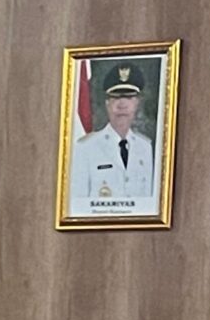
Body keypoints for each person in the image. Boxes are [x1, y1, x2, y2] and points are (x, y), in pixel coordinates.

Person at [66, 61, 161, 216]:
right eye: (116, 97)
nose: (122, 104)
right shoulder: (85, 148)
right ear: (107, 103)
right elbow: (78, 206)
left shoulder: (145, 147)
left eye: (128, 97)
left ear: (137, 103)